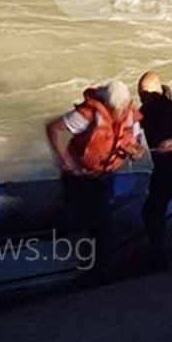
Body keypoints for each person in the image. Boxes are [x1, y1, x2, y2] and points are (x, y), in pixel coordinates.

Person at [46, 81, 144, 280]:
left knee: (102, 222)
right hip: (78, 175)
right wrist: (62, 157)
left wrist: (135, 152)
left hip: (105, 177)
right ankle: (62, 255)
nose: (119, 112)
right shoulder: (88, 114)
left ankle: (99, 271)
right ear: (107, 105)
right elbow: (53, 128)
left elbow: (138, 143)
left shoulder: (131, 116)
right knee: (74, 213)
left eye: (122, 108)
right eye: (115, 109)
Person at [137, 70, 172, 271]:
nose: (142, 97)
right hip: (162, 167)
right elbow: (134, 126)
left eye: (144, 93)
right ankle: (157, 251)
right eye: (140, 94)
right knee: (152, 210)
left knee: (152, 211)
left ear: (156, 92)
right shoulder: (146, 109)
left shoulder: (170, 107)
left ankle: (158, 258)